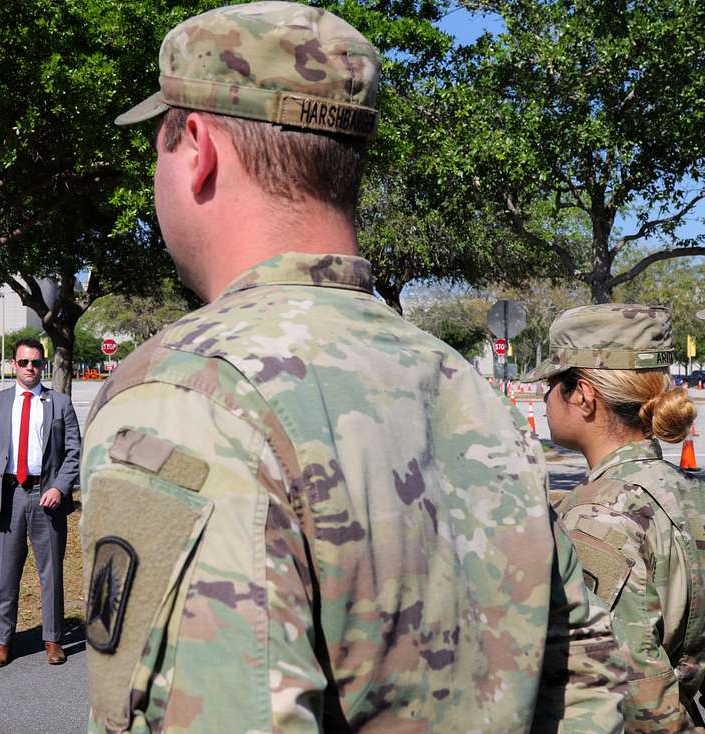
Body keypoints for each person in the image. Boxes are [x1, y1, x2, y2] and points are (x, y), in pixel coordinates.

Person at [78, 2, 625, 731]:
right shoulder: (459, 382)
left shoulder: (186, 394)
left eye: (159, 143)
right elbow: (587, 679)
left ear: (199, 147)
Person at [521, 304, 704, 731]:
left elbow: (633, 686)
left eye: (551, 382)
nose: (544, 397)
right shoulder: (687, 488)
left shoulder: (597, 516)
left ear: (583, 395)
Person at [0, 337, 80, 666]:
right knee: (6, 573)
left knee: (51, 573)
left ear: (43, 365)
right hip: (8, 497)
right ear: (13, 365)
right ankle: (2, 640)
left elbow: (74, 452)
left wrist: (60, 487)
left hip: (45, 496)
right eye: (23, 362)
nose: (30, 368)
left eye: (36, 363)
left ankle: (53, 639)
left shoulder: (59, 403)